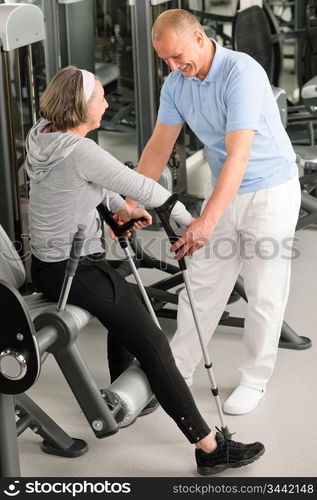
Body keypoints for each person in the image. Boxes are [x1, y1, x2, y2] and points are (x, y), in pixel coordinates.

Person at [25, 65, 264, 475]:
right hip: (75, 269)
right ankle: (209, 448)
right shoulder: (82, 150)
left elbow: (87, 184)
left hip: (50, 263)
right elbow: (141, 186)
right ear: (82, 107)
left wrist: (120, 211)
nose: (105, 100)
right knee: (155, 343)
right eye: (100, 95)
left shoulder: (44, 135)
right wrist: (186, 218)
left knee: (132, 302)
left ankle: (123, 390)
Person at [125, 9, 301, 415]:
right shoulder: (176, 83)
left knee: (264, 292)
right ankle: (178, 371)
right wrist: (130, 202)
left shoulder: (243, 72)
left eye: (177, 56)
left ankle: (255, 379)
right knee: (202, 285)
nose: (173, 67)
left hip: (270, 191)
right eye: (165, 61)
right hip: (227, 190)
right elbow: (157, 148)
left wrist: (206, 220)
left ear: (200, 37)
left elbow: (239, 155)